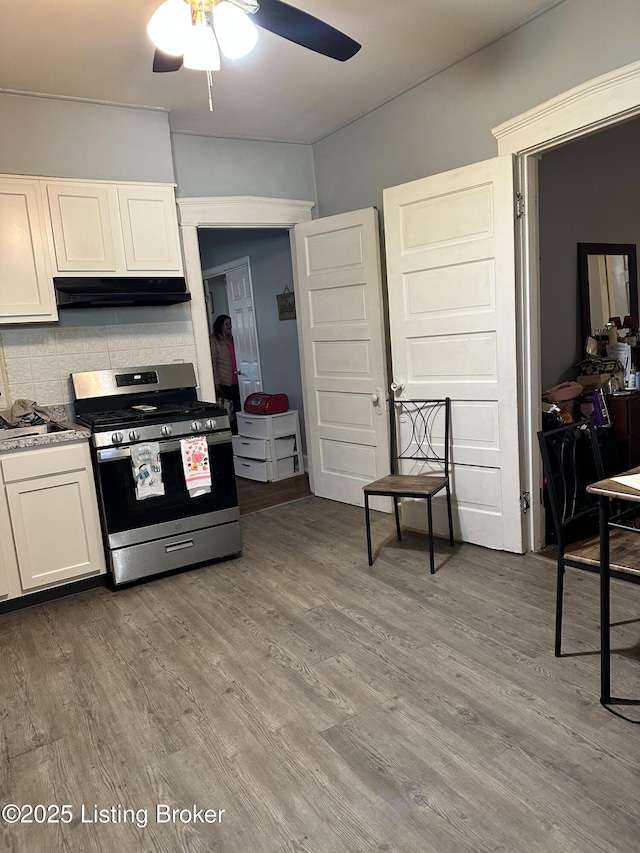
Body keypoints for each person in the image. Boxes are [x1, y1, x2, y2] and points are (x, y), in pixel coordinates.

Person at [210, 314, 241, 433]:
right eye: (226, 324)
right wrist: (216, 382)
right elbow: (213, 362)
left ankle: (238, 432)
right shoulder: (214, 340)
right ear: (220, 325)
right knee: (228, 408)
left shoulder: (232, 338)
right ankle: (230, 432)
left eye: (230, 324)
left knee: (238, 407)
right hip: (224, 381)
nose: (229, 326)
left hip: (236, 377)